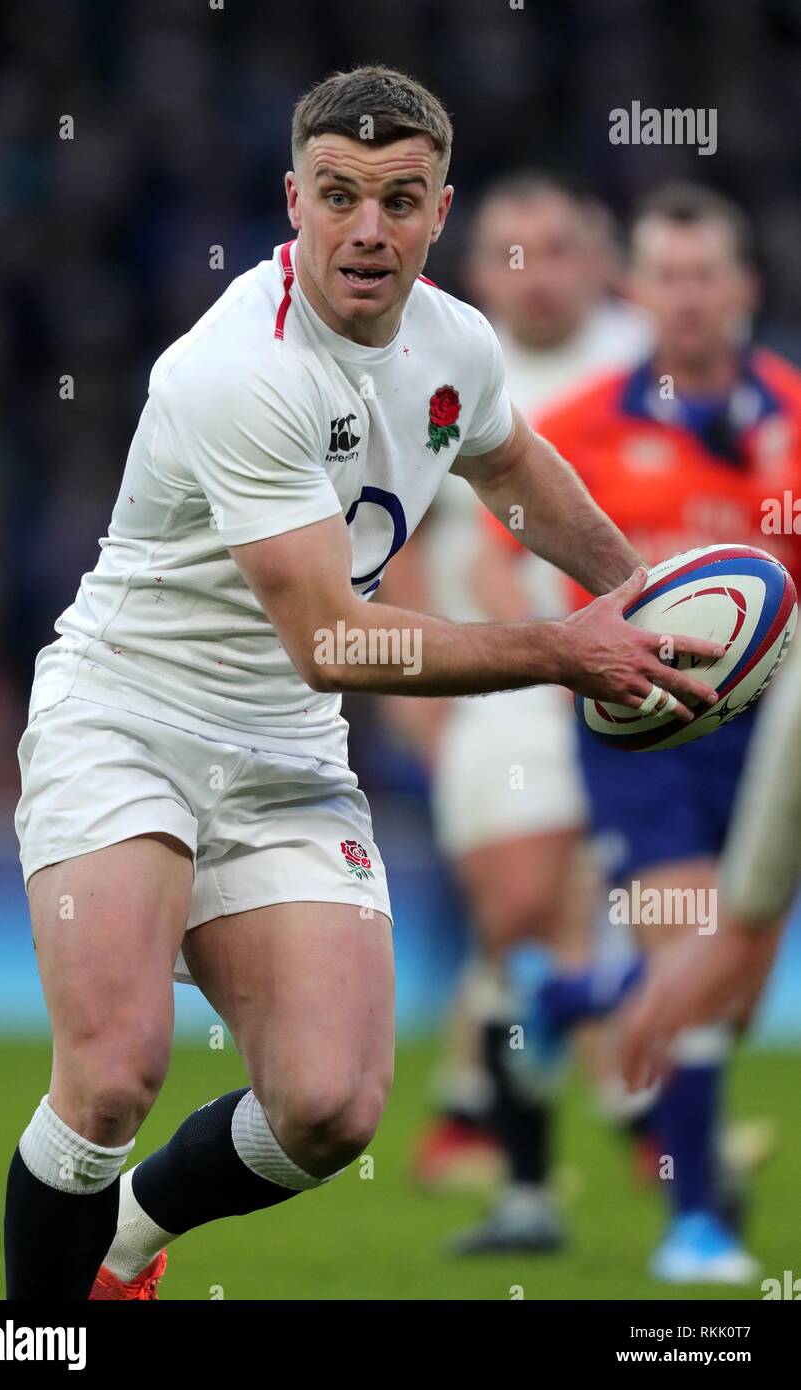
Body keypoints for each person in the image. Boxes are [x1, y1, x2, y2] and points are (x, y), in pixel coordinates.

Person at [8, 67, 720, 1301]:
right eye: (338, 196)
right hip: (128, 714)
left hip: (280, 747)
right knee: (116, 1071)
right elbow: (336, 643)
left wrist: (638, 597)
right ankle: (32, 1335)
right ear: (296, 200)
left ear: (441, 209)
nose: (368, 229)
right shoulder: (237, 367)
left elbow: (509, 467)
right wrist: (566, 649)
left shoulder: (453, 340)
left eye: (399, 199)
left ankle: (125, 1242)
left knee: (330, 1108)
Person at [482, 181, 801, 1282]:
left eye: (704, 272)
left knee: (737, 980)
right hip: (640, 738)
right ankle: (694, 1223)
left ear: (742, 288)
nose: (685, 296)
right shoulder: (576, 428)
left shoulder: (795, 419)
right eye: (664, 275)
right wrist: (539, 653)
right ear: (636, 291)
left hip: (771, 736)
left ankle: (562, 995)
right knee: (693, 945)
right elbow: (493, 547)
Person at [380, 174, 651, 1249]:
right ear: (476, 260)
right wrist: (410, 695)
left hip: (635, 676)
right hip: (494, 685)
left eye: (554, 248)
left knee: (637, 908)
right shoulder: (433, 364)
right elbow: (386, 541)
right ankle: (607, 1121)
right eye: (508, 251)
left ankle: (524, 1137)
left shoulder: (644, 364)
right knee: (522, 909)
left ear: (598, 260)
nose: (531, 275)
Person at [620, 633, 801, 1090]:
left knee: (737, 999)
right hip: (650, 704)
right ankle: (684, 1160)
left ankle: (568, 996)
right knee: (689, 931)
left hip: (756, 712)